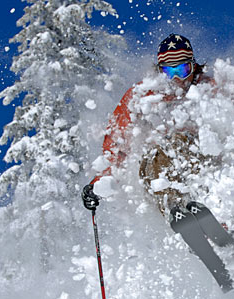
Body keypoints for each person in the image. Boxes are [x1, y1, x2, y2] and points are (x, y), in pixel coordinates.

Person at [82, 33, 217, 217]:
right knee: (154, 157)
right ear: (160, 72)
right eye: (170, 72)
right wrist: (99, 183)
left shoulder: (211, 89)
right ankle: (178, 215)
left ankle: (213, 211)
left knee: (183, 142)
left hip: (205, 163)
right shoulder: (143, 97)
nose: (177, 78)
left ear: (194, 67)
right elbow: (118, 145)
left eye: (183, 69)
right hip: (161, 169)